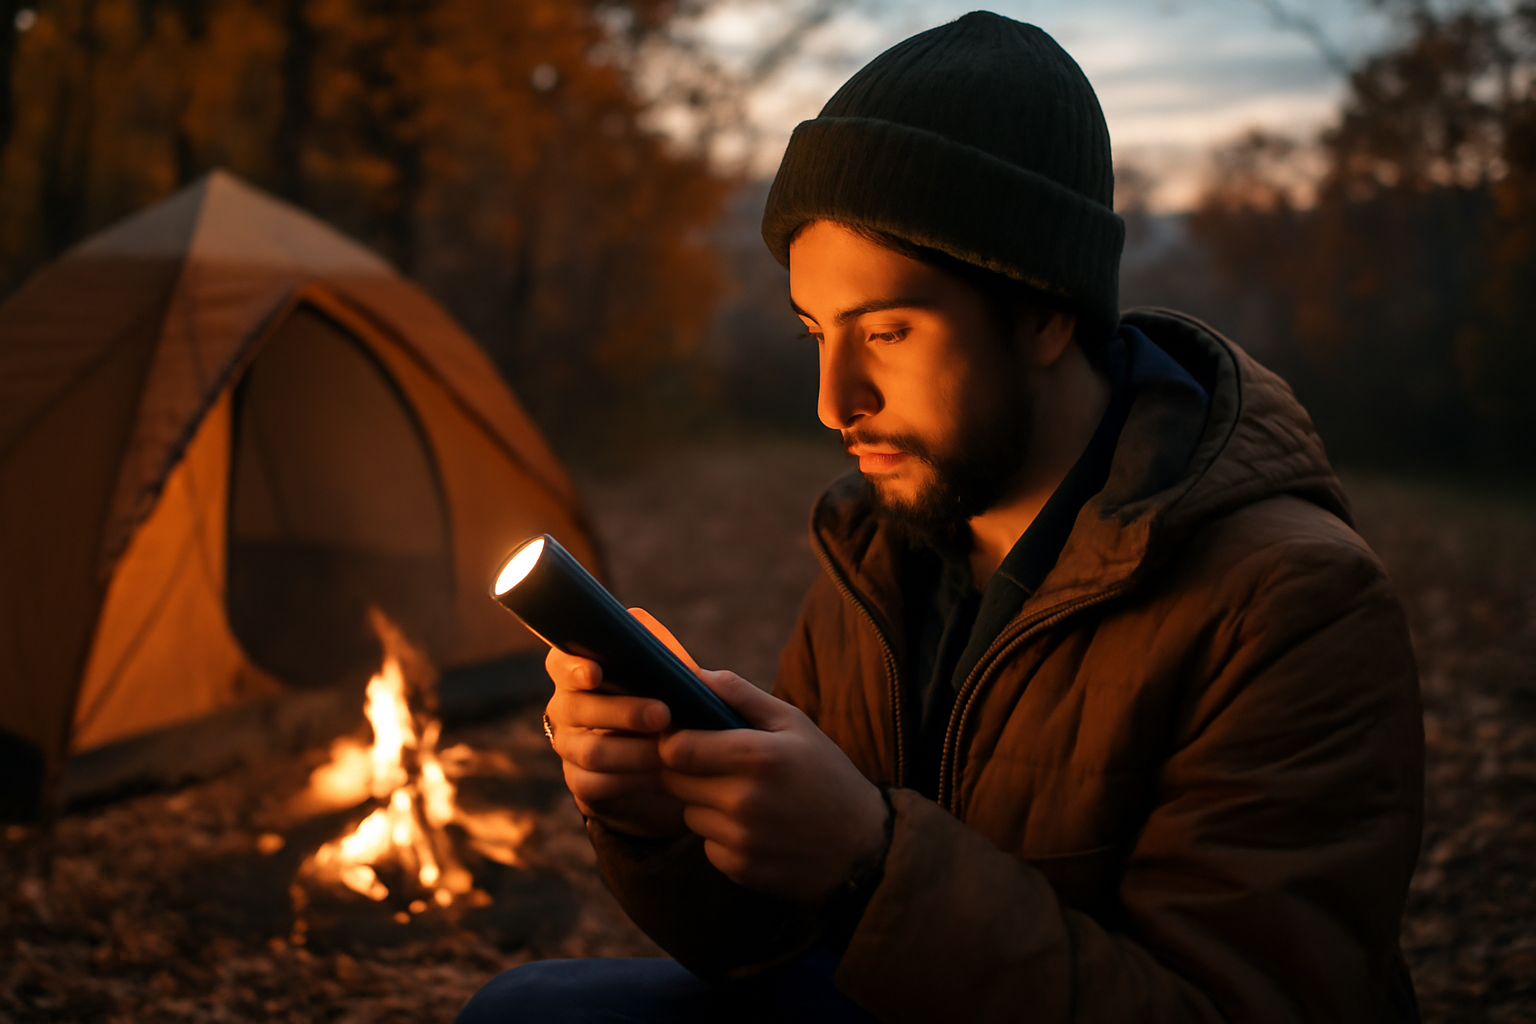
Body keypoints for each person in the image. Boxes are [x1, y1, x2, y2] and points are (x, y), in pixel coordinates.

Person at [457, 11, 1424, 1023]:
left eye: (887, 330)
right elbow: (774, 943)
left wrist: (871, 859)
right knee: (524, 1013)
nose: (833, 402)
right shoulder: (880, 549)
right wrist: (663, 819)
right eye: (816, 333)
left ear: (1044, 311)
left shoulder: (1292, 603)